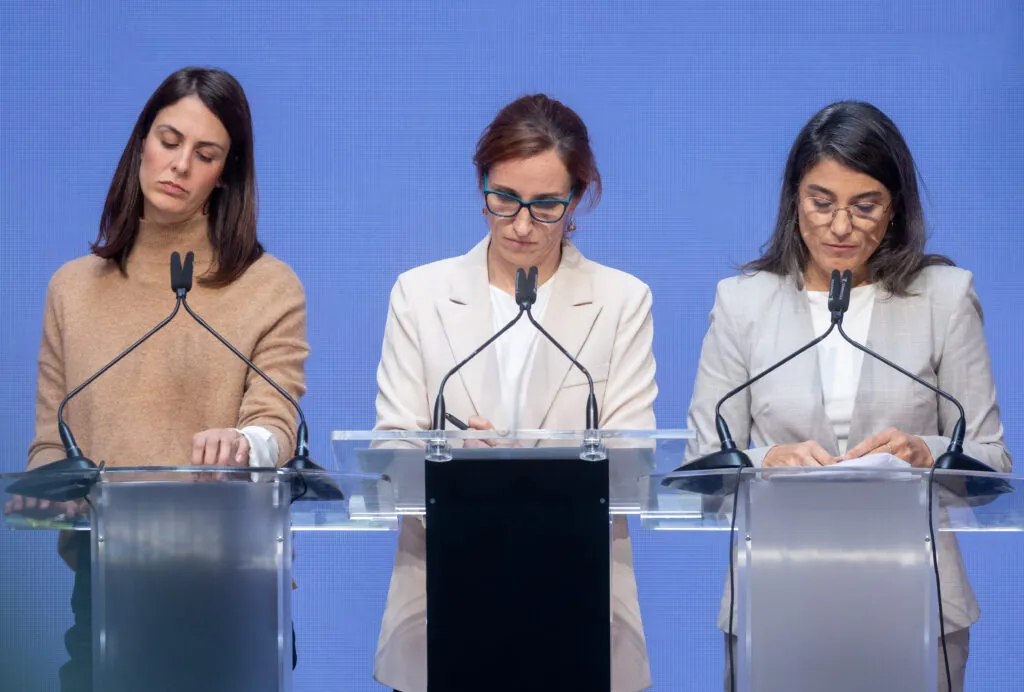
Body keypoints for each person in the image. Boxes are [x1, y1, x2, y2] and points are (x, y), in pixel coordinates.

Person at [685, 100, 1012, 692]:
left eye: (865, 207)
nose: (841, 227)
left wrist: (927, 451)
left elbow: (991, 463)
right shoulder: (743, 303)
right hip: (776, 600)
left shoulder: (944, 296)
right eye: (822, 202)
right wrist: (765, 461)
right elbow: (701, 467)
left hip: (917, 602)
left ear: (895, 210)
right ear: (793, 200)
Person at [14, 67, 308, 691]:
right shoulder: (72, 289)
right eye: (168, 141)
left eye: (204, 155)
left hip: (231, 589)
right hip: (104, 588)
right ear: (141, 141)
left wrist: (243, 444)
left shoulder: (268, 286)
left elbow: (276, 425)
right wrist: (51, 492)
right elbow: (49, 444)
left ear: (225, 172)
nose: (178, 166)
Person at [372, 94, 658, 692]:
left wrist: (518, 459)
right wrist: (450, 457)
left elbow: (633, 462)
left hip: (579, 604)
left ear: (577, 199)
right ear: (481, 184)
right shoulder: (420, 295)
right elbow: (391, 452)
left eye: (546, 206)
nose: (522, 225)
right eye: (503, 199)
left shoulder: (622, 301)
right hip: (443, 599)